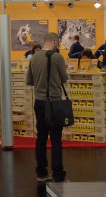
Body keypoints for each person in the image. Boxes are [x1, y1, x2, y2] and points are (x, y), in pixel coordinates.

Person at [26, 33, 69, 182]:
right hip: (55, 102)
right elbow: (64, 78)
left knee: (41, 137)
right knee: (56, 138)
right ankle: (58, 173)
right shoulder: (58, 58)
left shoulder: (34, 58)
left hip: (39, 101)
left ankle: (41, 173)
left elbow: (29, 80)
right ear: (55, 41)